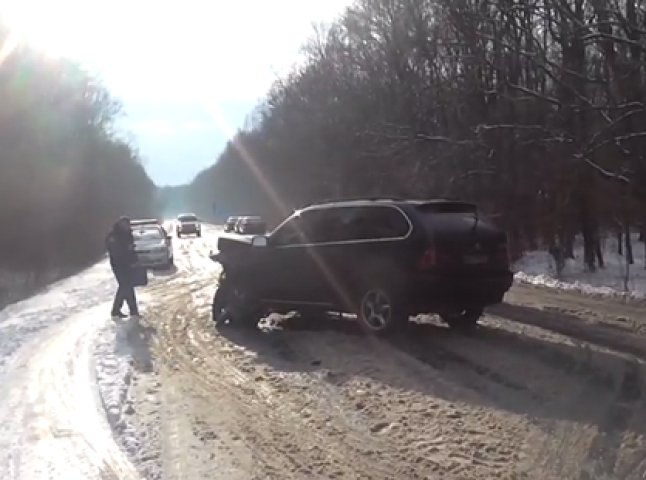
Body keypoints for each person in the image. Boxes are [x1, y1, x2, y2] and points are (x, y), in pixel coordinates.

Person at [106, 216, 140, 318]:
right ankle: (119, 310)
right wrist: (126, 250)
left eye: (128, 225)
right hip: (118, 265)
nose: (127, 226)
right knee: (125, 286)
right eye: (125, 225)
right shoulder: (113, 236)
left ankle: (132, 310)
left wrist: (135, 260)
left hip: (128, 264)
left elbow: (131, 249)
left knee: (127, 286)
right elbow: (115, 251)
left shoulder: (128, 234)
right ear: (120, 224)